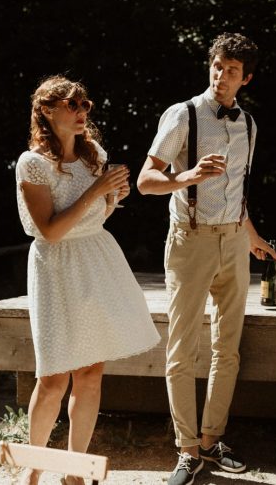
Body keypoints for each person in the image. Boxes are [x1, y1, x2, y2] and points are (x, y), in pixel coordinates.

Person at [136, 32, 276, 485]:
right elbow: (145, 181)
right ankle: (186, 449)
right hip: (190, 241)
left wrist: (253, 238)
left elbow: (239, 193)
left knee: (227, 349)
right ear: (210, 66)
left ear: (246, 78)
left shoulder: (249, 125)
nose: (222, 75)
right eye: (217, 66)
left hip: (235, 241)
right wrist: (188, 176)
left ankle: (212, 439)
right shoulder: (184, 115)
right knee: (182, 349)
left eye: (232, 70)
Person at [15, 76, 161, 485]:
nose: (82, 113)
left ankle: (75, 468)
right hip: (56, 267)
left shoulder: (94, 153)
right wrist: (97, 190)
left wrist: (112, 198)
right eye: (72, 105)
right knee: (52, 377)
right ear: (47, 111)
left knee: (92, 371)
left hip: (97, 260)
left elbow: (95, 218)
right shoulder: (33, 164)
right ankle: (34, 466)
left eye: (85, 105)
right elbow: (52, 231)